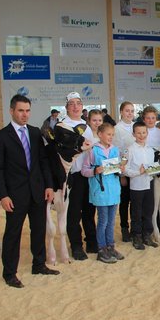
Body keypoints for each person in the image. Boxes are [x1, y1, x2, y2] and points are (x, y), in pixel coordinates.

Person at [0, 94, 58, 288]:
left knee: (38, 229)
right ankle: (9, 273)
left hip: (37, 191)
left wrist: (49, 185)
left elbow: (43, 161)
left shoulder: (36, 133)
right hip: (15, 195)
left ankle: (39, 264)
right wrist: (2, 195)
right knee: (13, 233)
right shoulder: (2, 136)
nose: (25, 114)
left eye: (27, 111)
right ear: (12, 111)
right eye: (21, 110)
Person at [81, 122, 125, 264]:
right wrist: (95, 170)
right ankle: (101, 249)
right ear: (100, 134)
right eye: (108, 134)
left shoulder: (115, 150)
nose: (110, 137)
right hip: (100, 191)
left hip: (113, 190)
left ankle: (110, 246)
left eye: (112, 135)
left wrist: (120, 168)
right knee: (103, 221)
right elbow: (84, 170)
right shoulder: (93, 151)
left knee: (111, 222)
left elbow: (118, 168)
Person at [62, 92, 96, 261]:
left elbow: (91, 151)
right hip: (72, 175)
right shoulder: (63, 126)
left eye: (78, 103)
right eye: (71, 104)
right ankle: (76, 245)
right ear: (67, 107)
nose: (75, 107)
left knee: (89, 209)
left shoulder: (86, 126)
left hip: (87, 174)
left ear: (82, 107)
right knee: (74, 211)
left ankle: (91, 241)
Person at [124, 122, 158, 250]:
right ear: (133, 134)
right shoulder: (129, 150)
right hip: (136, 186)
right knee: (136, 213)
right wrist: (139, 172)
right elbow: (125, 170)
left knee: (148, 211)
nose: (141, 135)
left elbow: (152, 167)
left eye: (144, 132)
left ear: (147, 133)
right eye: (138, 133)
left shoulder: (150, 150)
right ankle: (136, 236)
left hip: (149, 184)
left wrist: (157, 170)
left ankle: (147, 235)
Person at [113, 102, 136, 242]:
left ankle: (134, 228)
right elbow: (117, 152)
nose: (130, 113)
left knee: (135, 202)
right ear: (121, 112)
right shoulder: (117, 129)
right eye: (127, 111)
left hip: (136, 171)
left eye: (132, 111)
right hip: (124, 170)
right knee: (124, 202)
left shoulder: (136, 126)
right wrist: (121, 174)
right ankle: (124, 228)